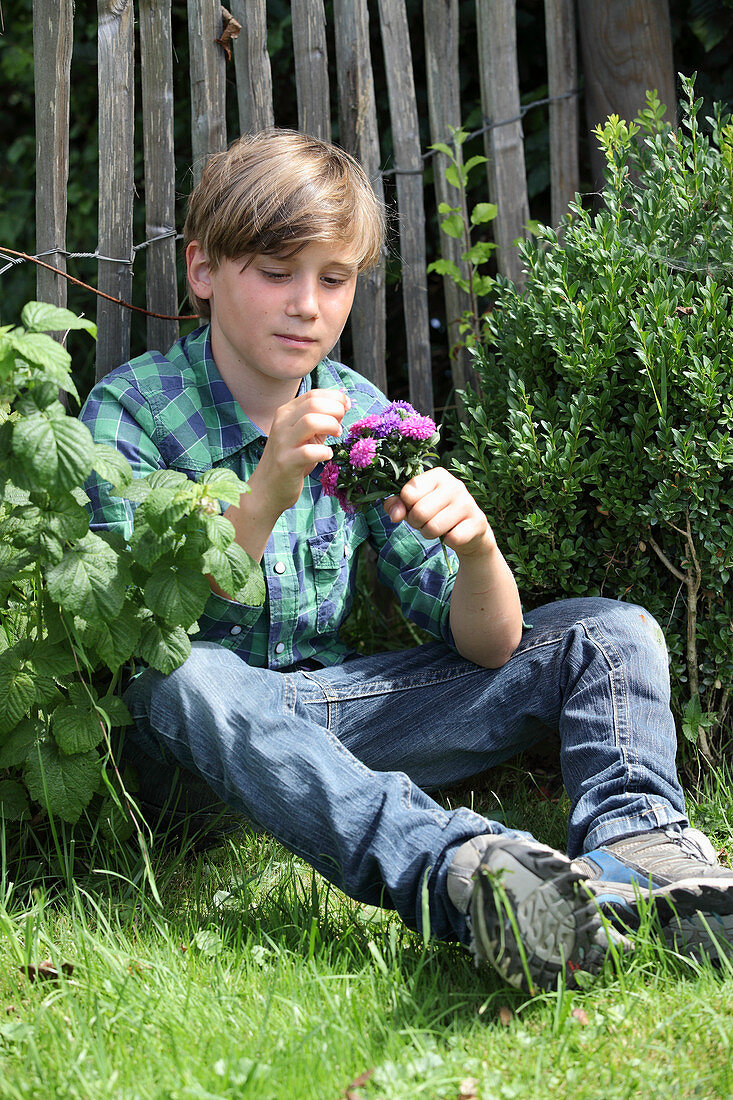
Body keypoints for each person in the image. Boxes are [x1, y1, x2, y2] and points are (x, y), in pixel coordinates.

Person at [80, 128, 733, 994]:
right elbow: (132, 625)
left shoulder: (360, 413)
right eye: (276, 274)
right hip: (193, 745)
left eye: (333, 279)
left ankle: (642, 860)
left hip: (333, 715)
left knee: (609, 635)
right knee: (180, 676)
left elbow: (489, 648)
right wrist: (267, 487)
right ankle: (468, 879)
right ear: (203, 270)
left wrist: (476, 550)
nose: (305, 305)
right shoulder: (132, 409)